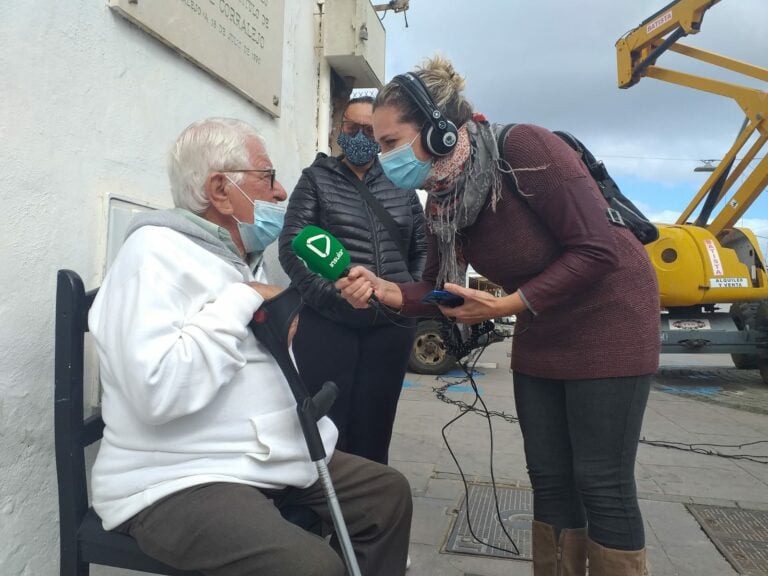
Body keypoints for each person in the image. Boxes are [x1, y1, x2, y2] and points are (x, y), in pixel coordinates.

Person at [336, 57, 660, 576]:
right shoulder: (443, 198)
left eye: (390, 142)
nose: (382, 157)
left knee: (601, 480)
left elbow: (598, 249)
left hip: (611, 318)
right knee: (550, 478)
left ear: (439, 131)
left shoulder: (523, 148)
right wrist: (385, 290)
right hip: (543, 323)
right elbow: (441, 287)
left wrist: (508, 305)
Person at [88, 118, 412, 576]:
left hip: (260, 456)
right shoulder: (152, 255)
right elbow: (156, 390)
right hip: (179, 477)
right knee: (311, 567)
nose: (281, 193)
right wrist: (243, 301)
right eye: (268, 177)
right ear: (220, 190)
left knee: (387, 494)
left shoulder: (232, 260)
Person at [278, 96, 427, 465]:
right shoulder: (316, 179)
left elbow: (424, 248)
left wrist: (406, 294)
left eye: (368, 130)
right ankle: (324, 514)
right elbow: (293, 245)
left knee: (376, 428)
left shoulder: (400, 182)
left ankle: (369, 509)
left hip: (390, 328)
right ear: (338, 130)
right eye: (351, 128)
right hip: (330, 325)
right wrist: (335, 295)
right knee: (329, 429)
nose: (360, 136)